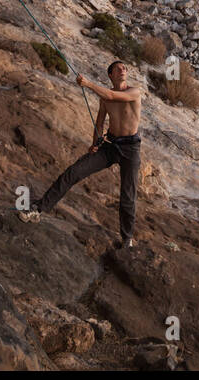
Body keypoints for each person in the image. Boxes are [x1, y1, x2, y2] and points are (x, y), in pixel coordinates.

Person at [18, 60, 144, 249]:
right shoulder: (104, 99)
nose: (123, 70)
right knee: (73, 172)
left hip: (130, 149)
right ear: (110, 75)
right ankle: (38, 209)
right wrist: (95, 143)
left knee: (127, 196)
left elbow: (111, 94)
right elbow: (100, 122)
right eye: (118, 69)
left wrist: (88, 84)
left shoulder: (135, 91)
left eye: (125, 68)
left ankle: (127, 240)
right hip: (109, 145)